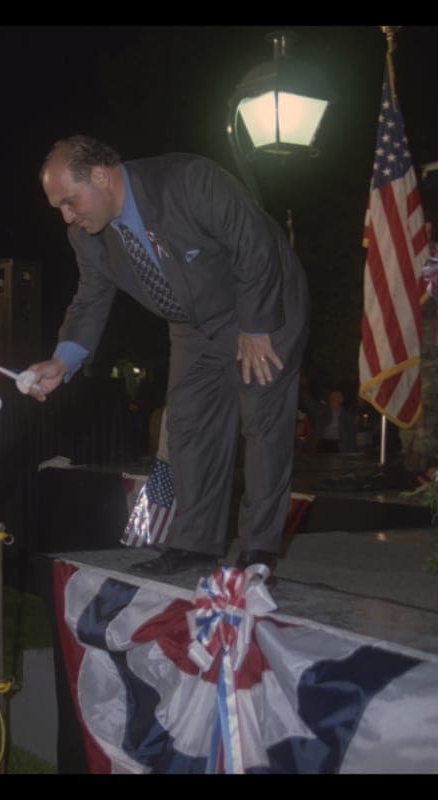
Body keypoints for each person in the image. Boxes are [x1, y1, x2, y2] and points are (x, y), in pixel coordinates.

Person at [27, 134, 309, 576]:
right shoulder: (89, 239)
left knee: (262, 418)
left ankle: (258, 551)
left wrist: (256, 327)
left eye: (70, 201)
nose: (68, 216)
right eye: (59, 208)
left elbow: (255, 245)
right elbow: (90, 299)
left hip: (262, 303)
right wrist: (64, 360)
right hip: (193, 326)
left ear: (101, 176)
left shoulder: (189, 181)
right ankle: (196, 545)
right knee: (187, 423)